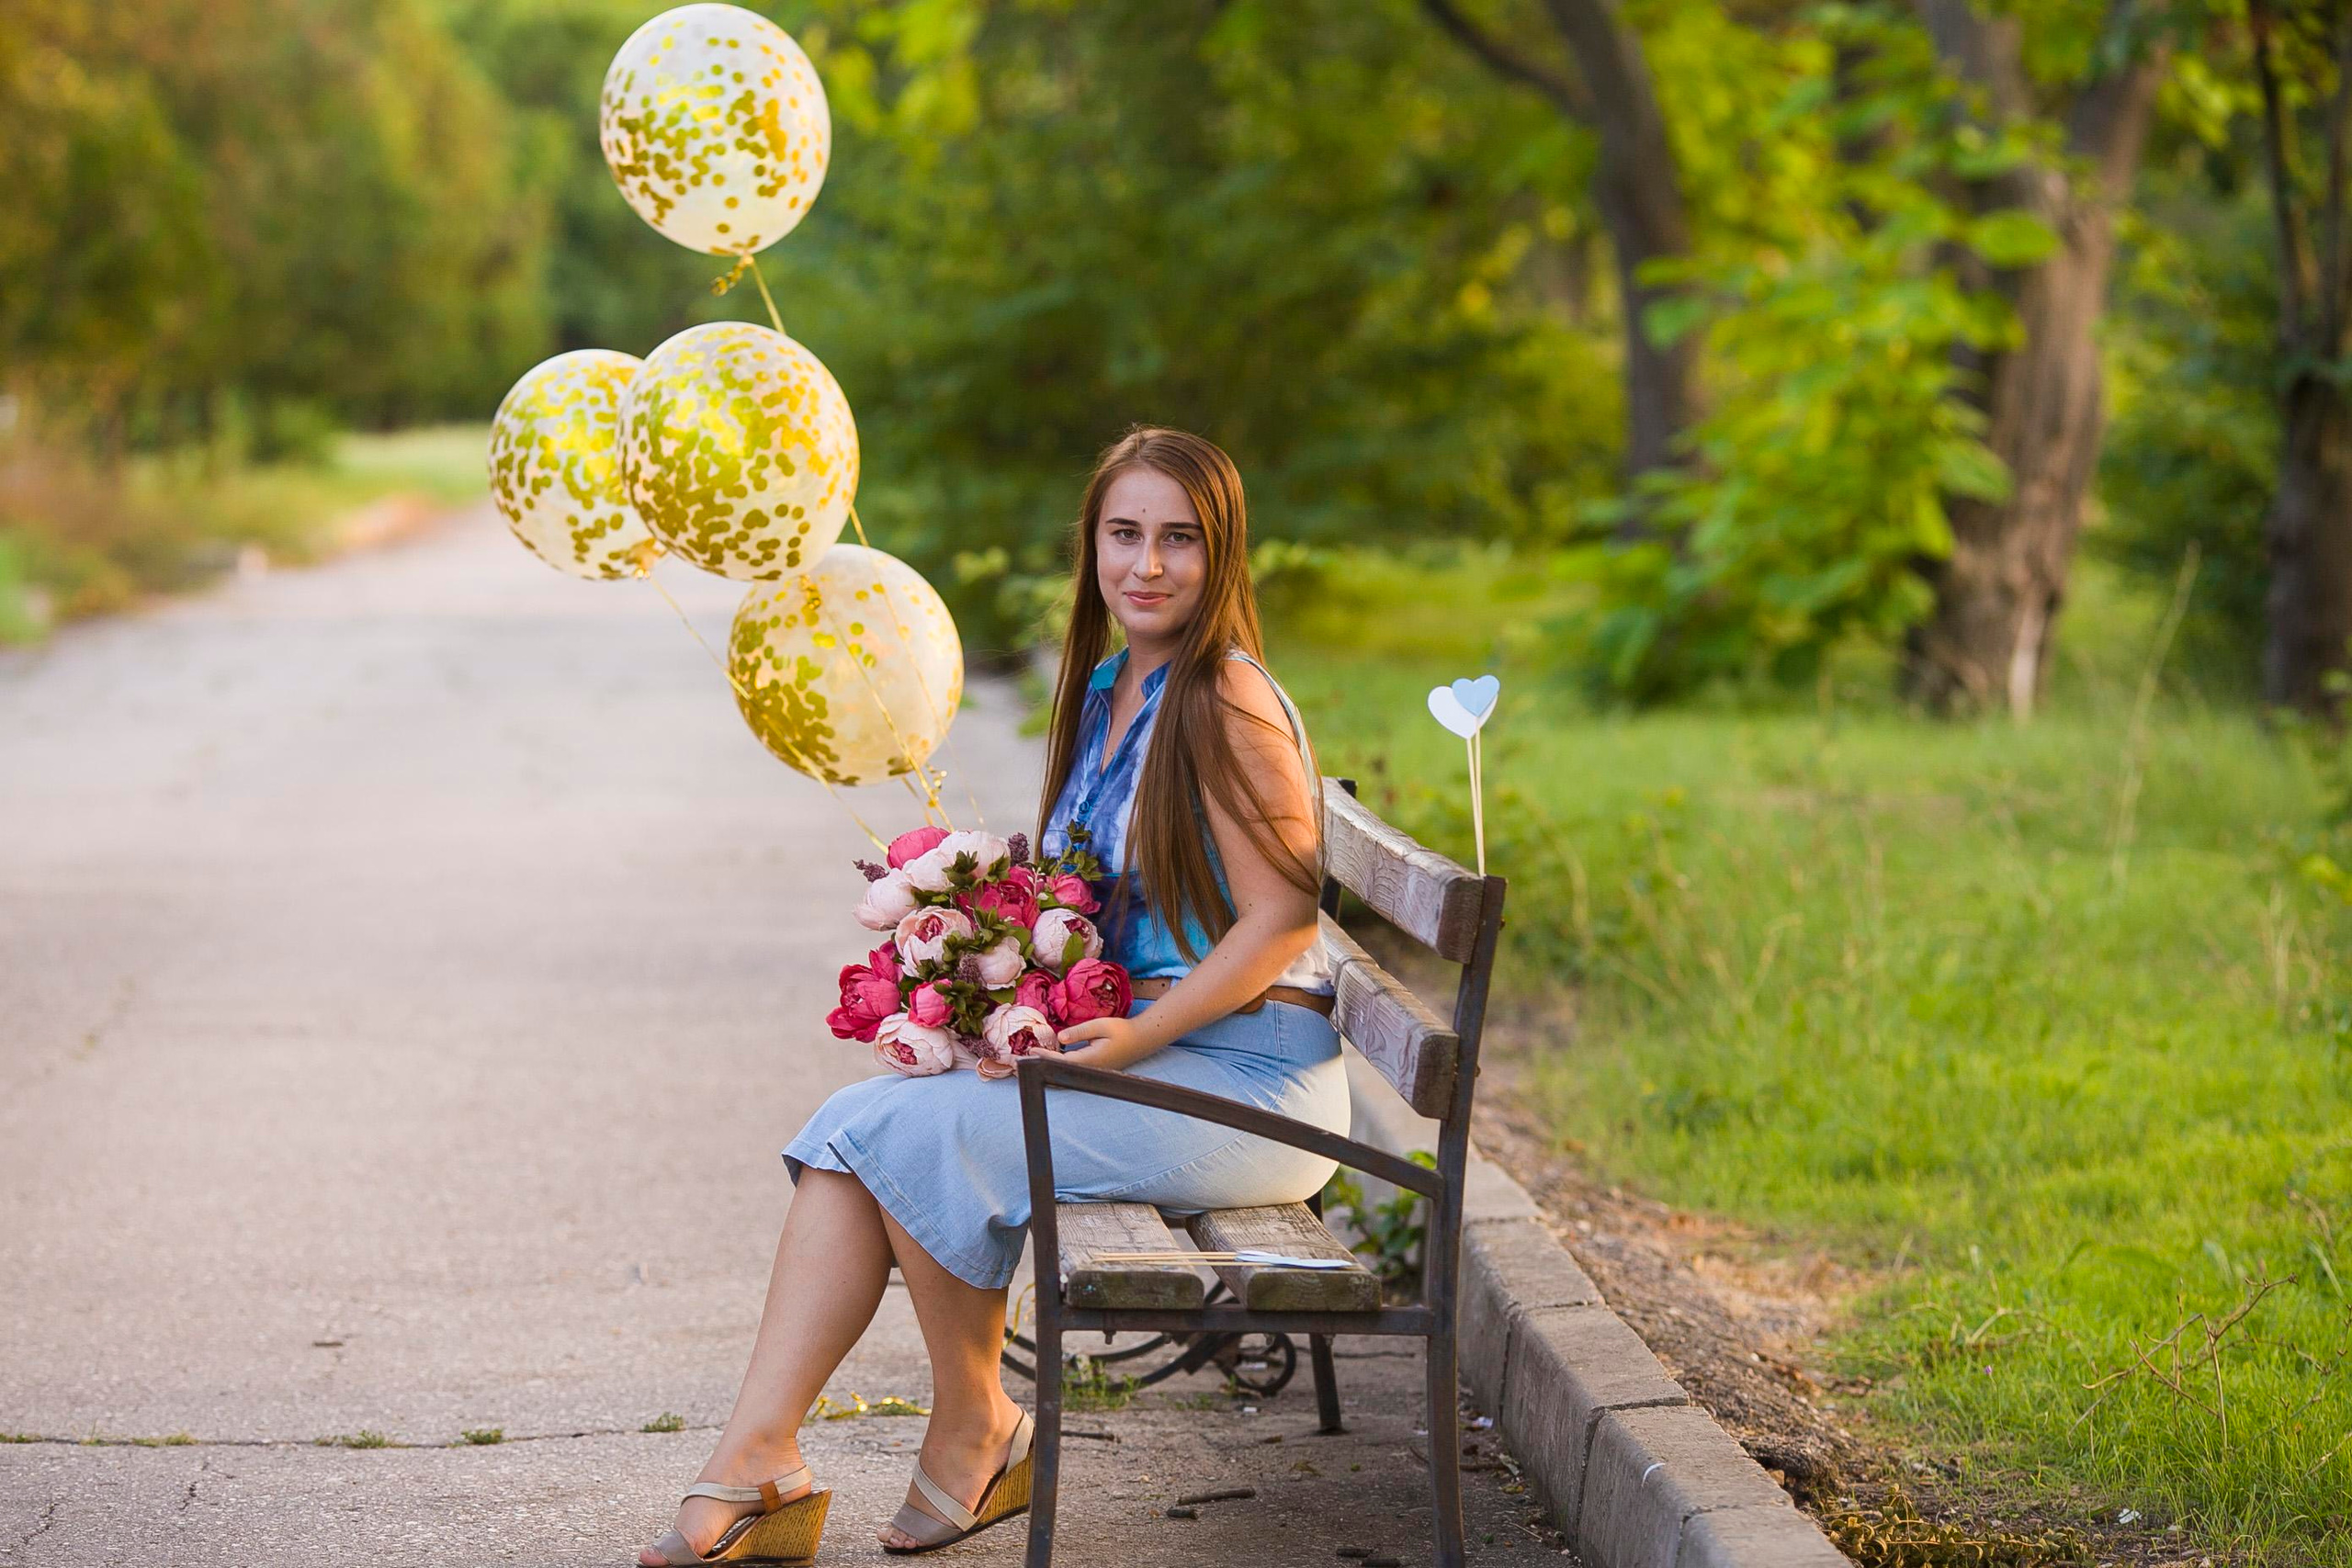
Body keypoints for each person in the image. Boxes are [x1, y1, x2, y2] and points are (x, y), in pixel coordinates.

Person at [639, 425, 1345, 1564]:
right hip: (1166, 1060)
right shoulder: (1114, 687)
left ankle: (950, 1432)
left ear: (1222, 555)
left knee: (909, 1134)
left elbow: (1283, 919)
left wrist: (1131, 1041)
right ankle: (777, 1453)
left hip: (1249, 1087)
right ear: (1091, 546)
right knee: (858, 1128)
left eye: (1179, 539)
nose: (1147, 565)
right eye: (1124, 534)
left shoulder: (1225, 700)